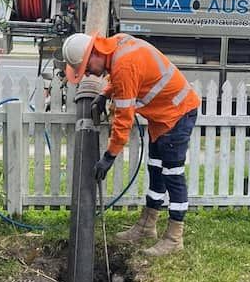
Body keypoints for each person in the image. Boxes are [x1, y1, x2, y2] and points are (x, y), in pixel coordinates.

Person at [63, 32, 200, 256]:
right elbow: (120, 78)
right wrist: (105, 93)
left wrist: (109, 157)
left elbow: (123, 120)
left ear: (95, 53)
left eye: (87, 68)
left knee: (172, 175)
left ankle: (175, 238)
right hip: (162, 117)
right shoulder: (117, 43)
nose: (88, 74)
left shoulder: (123, 66)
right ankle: (147, 226)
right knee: (155, 168)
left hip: (177, 115)